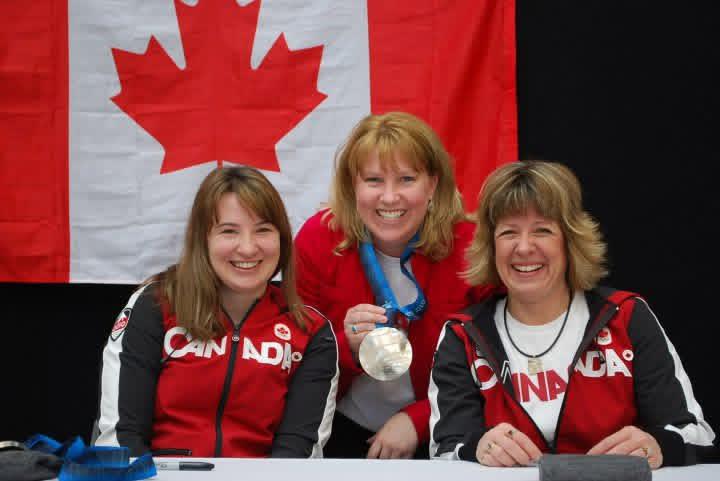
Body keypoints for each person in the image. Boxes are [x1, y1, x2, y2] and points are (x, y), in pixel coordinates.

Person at [429, 160, 717, 468]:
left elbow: (696, 435)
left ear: (570, 241)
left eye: (542, 230)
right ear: (491, 246)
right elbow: (445, 449)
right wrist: (477, 447)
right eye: (509, 232)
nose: (524, 247)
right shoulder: (463, 335)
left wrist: (657, 444)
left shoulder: (627, 316)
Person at [93, 166, 338, 458]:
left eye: (263, 230)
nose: (247, 248)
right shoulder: (155, 306)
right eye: (229, 231)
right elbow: (120, 439)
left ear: (282, 239)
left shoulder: (310, 331)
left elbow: (297, 457)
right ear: (202, 239)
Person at [295, 112, 494, 459]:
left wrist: (419, 419)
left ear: (432, 184)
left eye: (405, 179)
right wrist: (347, 347)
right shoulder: (318, 240)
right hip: (338, 426)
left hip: (443, 424)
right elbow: (291, 358)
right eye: (373, 180)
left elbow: (492, 364)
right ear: (352, 186)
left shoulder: (469, 248)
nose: (389, 198)